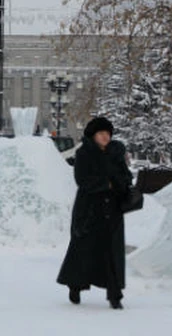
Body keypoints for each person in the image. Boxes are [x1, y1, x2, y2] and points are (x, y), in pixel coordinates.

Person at [56, 116, 133, 309]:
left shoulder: (117, 152)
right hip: (89, 210)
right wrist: (106, 183)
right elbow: (82, 180)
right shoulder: (84, 153)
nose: (105, 137)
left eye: (107, 133)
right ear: (93, 136)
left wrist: (119, 183)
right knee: (83, 250)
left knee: (112, 253)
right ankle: (75, 285)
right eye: (101, 133)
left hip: (112, 210)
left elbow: (126, 176)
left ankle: (115, 295)